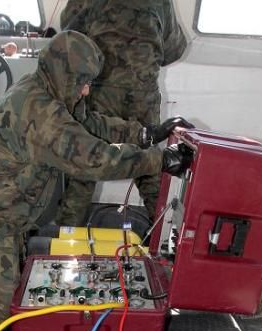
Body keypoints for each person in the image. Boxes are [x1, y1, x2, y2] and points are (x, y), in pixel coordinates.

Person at [0, 31, 186, 329]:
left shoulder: (49, 89)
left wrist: (145, 134)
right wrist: (161, 160)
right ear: (66, 75)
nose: (85, 91)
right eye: (83, 82)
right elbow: (95, 159)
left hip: (4, 215)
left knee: (10, 279)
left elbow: (90, 123)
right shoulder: (39, 112)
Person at [57, 0, 189, 226]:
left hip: (99, 88)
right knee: (150, 165)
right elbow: (174, 48)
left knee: (85, 162)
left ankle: (67, 237)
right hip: (142, 93)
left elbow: (70, 32)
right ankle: (162, 235)